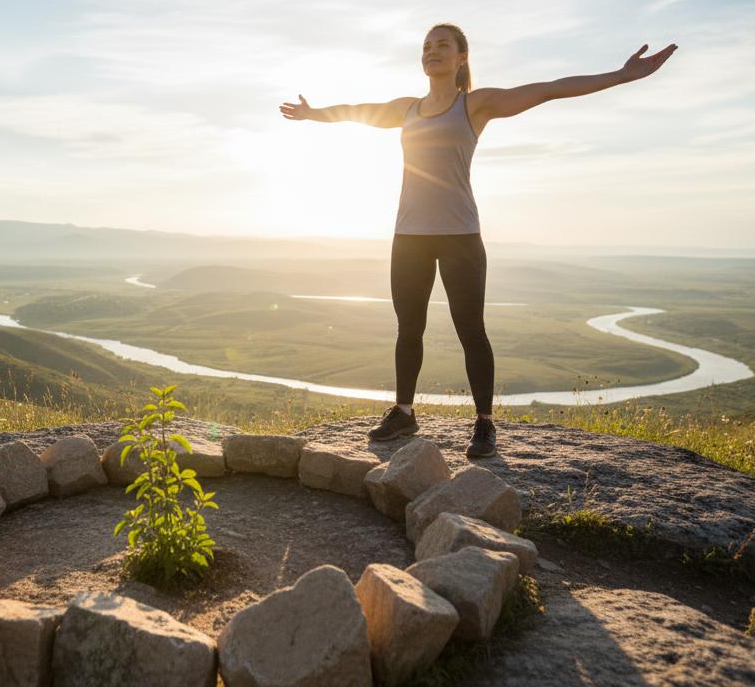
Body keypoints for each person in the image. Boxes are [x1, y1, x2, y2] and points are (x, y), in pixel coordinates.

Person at [280, 23, 677, 459]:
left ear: (461, 57)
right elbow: (358, 111)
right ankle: (404, 411)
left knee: (471, 330)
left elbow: (549, 89)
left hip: (460, 237)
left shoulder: (475, 104)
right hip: (409, 236)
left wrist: (621, 75)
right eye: (426, 46)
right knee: (408, 328)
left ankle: (485, 423)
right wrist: (313, 114)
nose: (432, 51)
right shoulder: (407, 109)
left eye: (442, 45)